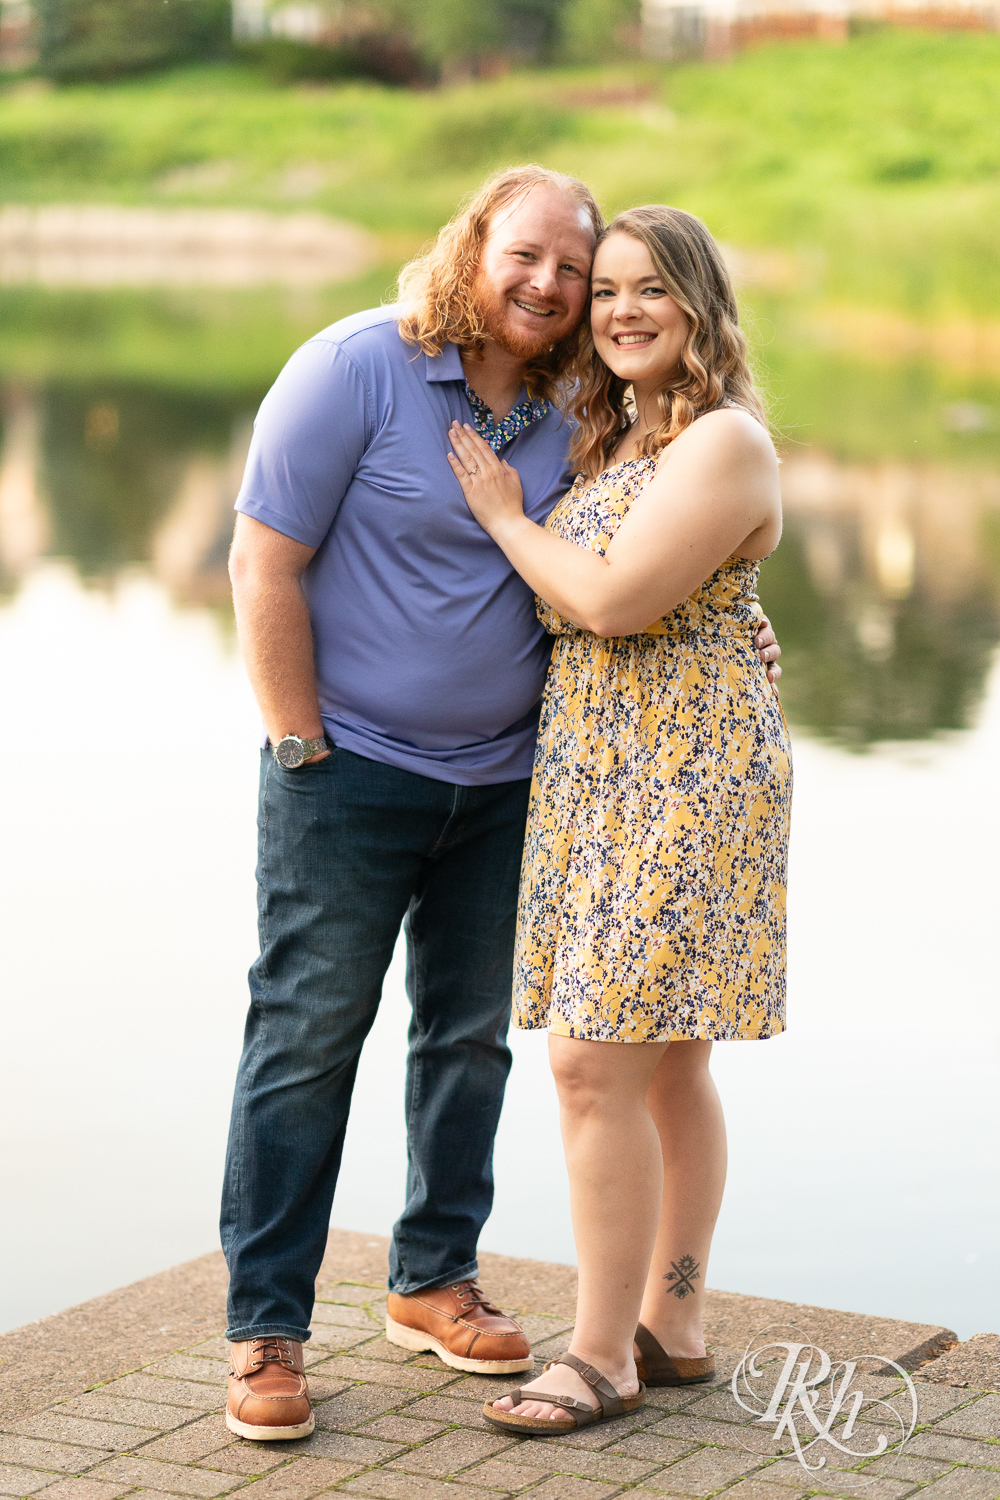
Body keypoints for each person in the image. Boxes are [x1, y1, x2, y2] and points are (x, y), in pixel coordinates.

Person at [220, 169, 783, 1442]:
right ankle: (267, 1330)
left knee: (484, 1042)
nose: (557, 288)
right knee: (308, 1038)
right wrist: (297, 742)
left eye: (582, 273)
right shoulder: (357, 367)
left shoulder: (574, 411)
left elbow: (651, 573)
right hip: (354, 771)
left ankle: (437, 1281)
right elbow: (262, 557)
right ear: (474, 246)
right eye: (531, 258)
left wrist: (745, 633)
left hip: (532, 785)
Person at [444, 204, 792, 1436]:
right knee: (663, 1059)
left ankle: (601, 1354)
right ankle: (674, 1324)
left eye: (651, 290)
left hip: (681, 776)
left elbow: (607, 603)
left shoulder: (718, 441)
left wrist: (502, 517)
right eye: (606, 293)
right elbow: (700, 588)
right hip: (607, 771)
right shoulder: (625, 440)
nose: (621, 311)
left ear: (699, 304)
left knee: (595, 1064)